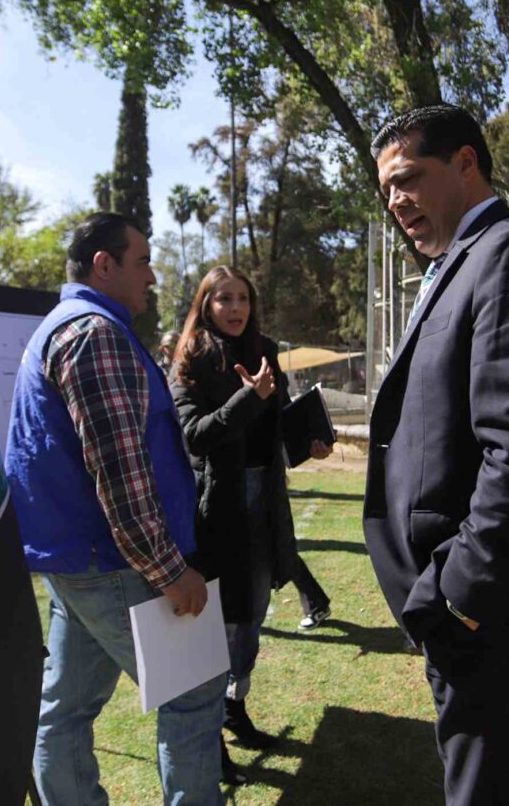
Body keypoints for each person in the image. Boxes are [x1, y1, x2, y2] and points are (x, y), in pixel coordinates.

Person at [363, 105, 509, 805]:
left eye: (408, 178)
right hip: (460, 615)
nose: (396, 199)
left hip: (491, 615)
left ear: (466, 163)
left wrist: (462, 596)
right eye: (387, 189)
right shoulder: (453, 265)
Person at [5, 212, 224, 806]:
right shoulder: (94, 334)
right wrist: (171, 572)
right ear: (105, 264)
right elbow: (121, 474)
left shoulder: (73, 326)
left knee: (66, 710)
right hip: (113, 560)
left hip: (81, 559)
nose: (153, 276)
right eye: (144, 261)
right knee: (196, 692)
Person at [170, 266, 332, 783]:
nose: (235, 308)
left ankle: (235, 706)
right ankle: (209, 732)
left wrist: (308, 441)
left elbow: (278, 422)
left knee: (253, 615)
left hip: (265, 504)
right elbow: (195, 436)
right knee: (218, 626)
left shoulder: (263, 351)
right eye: (224, 299)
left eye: (243, 298)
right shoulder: (191, 359)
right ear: (206, 304)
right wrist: (250, 397)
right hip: (218, 514)